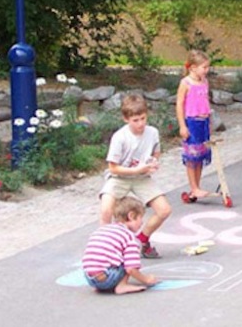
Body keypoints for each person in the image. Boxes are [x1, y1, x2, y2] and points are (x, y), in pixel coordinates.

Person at [100, 94, 171, 259]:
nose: (140, 124)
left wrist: (153, 162)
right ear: (126, 119)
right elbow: (113, 167)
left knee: (164, 209)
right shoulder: (120, 137)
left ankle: (142, 239)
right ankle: (107, 248)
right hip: (120, 176)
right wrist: (137, 169)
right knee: (106, 210)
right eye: (135, 120)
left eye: (143, 119)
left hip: (141, 177)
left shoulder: (152, 132)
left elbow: (157, 151)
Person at [82, 197, 159, 294]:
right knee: (128, 260)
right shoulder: (128, 235)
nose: (142, 223)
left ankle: (102, 285)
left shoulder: (103, 229)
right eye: (141, 218)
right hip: (107, 278)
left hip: (89, 277)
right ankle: (122, 285)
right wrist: (146, 279)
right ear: (131, 216)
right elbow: (131, 269)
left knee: (110, 256)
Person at [175, 50, 213, 201]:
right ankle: (194, 187)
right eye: (204, 67)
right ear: (193, 68)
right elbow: (179, 104)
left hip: (203, 121)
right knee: (192, 157)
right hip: (192, 122)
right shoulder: (186, 83)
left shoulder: (204, 82)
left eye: (207, 67)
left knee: (200, 156)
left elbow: (206, 101)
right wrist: (182, 126)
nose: (206, 70)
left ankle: (196, 187)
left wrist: (209, 121)